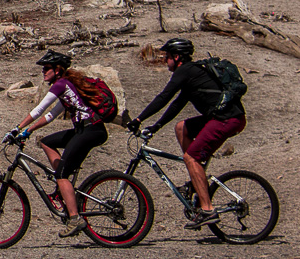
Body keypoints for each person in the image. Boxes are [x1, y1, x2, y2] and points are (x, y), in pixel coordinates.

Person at [128, 37, 246, 228]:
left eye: (167, 57)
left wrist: (139, 119)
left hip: (227, 120)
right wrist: (155, 127)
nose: (166, 61)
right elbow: (176, 105)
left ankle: (207, 209)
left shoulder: (185, 71)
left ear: (177, 57)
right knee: (181, 128)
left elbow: (164, 97)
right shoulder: (191, 73)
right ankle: (197, 180)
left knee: (191, 158)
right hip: (224, 118)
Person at [14, 50, 111, 237]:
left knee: (62, 173)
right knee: (47, 142)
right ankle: (62, 185)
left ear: (58, 70)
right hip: (85, 130)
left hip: (91, 130)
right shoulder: (67, 87)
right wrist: (29, 131)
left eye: (46, 68)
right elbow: (50, 116)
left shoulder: (61, 85)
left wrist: (17, 128)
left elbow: (39, 109)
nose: (43, 72)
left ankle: (75, 218)